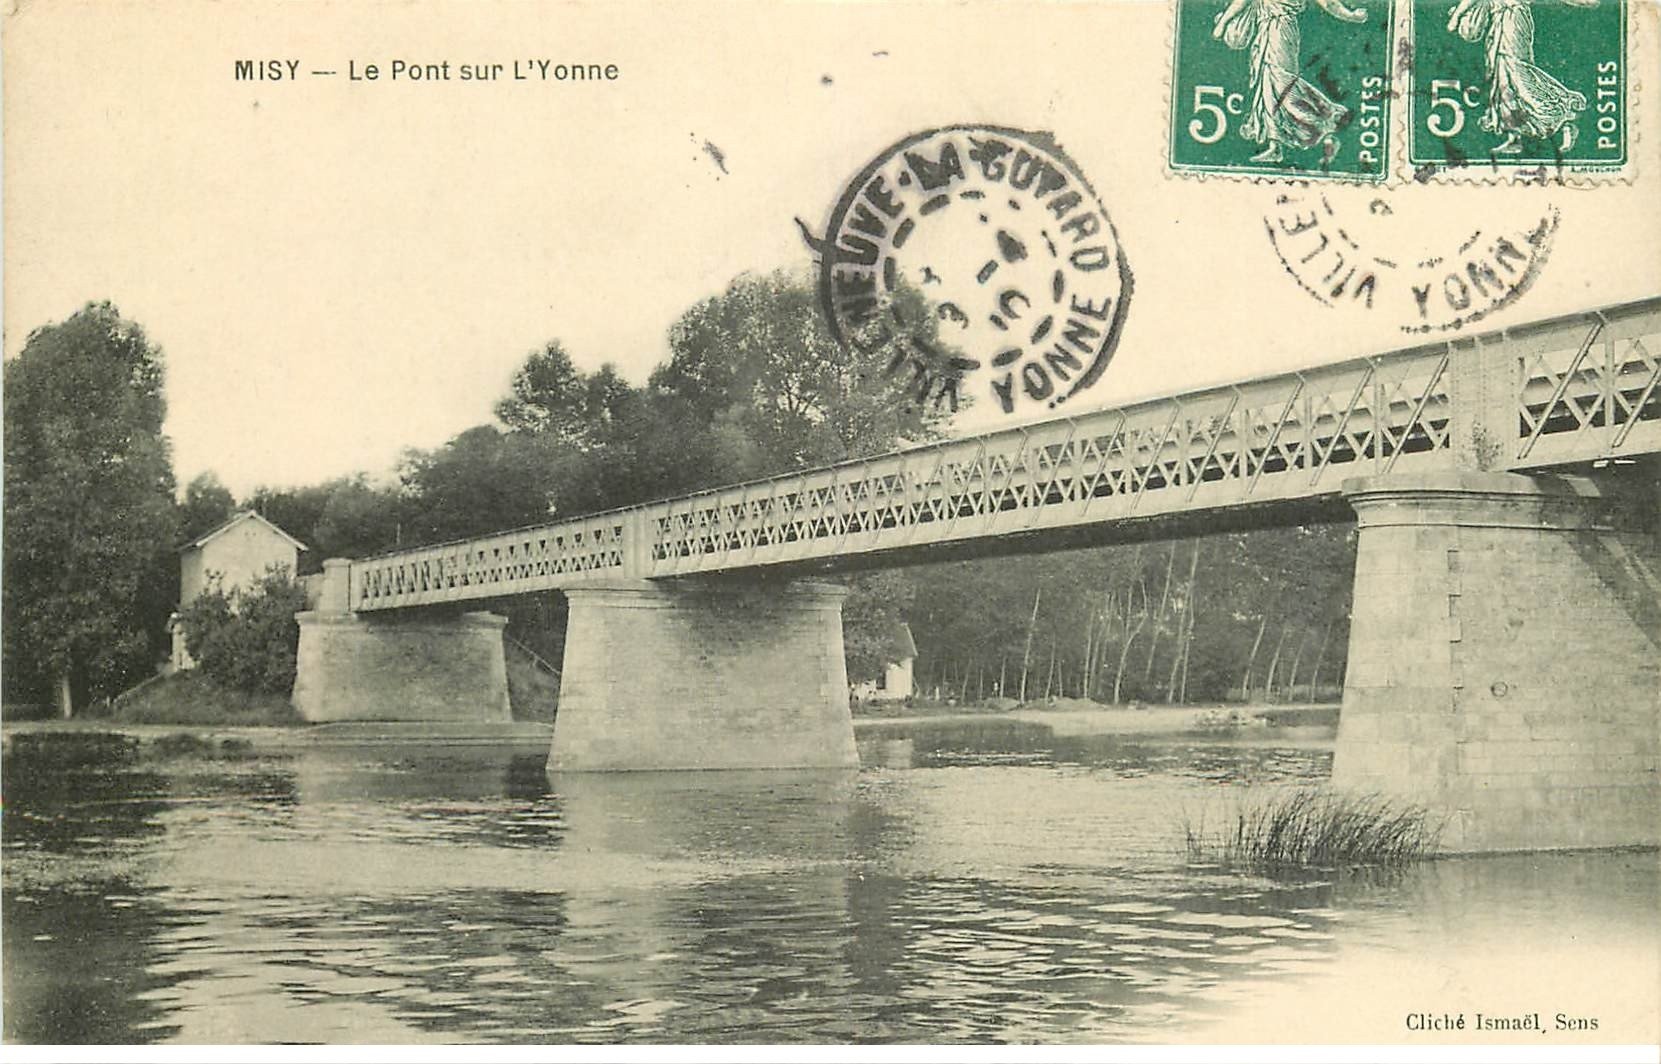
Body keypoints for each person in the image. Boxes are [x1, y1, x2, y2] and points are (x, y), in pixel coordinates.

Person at [1213, 0, 1370, 164]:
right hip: (1265, 30)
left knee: (1282, 85)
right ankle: (1276, 145)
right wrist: (1223, 23)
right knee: (1268, 83)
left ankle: (1325, 121)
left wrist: (1351, 16)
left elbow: (1328, 3)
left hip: (1282, 29)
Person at [1446, 0, 1595, 153]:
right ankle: (1514, 138)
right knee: (1503, 79)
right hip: (1500, 20)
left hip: (1512, 19)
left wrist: (1455, 17)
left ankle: (1563, 119)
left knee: (1518, 76)